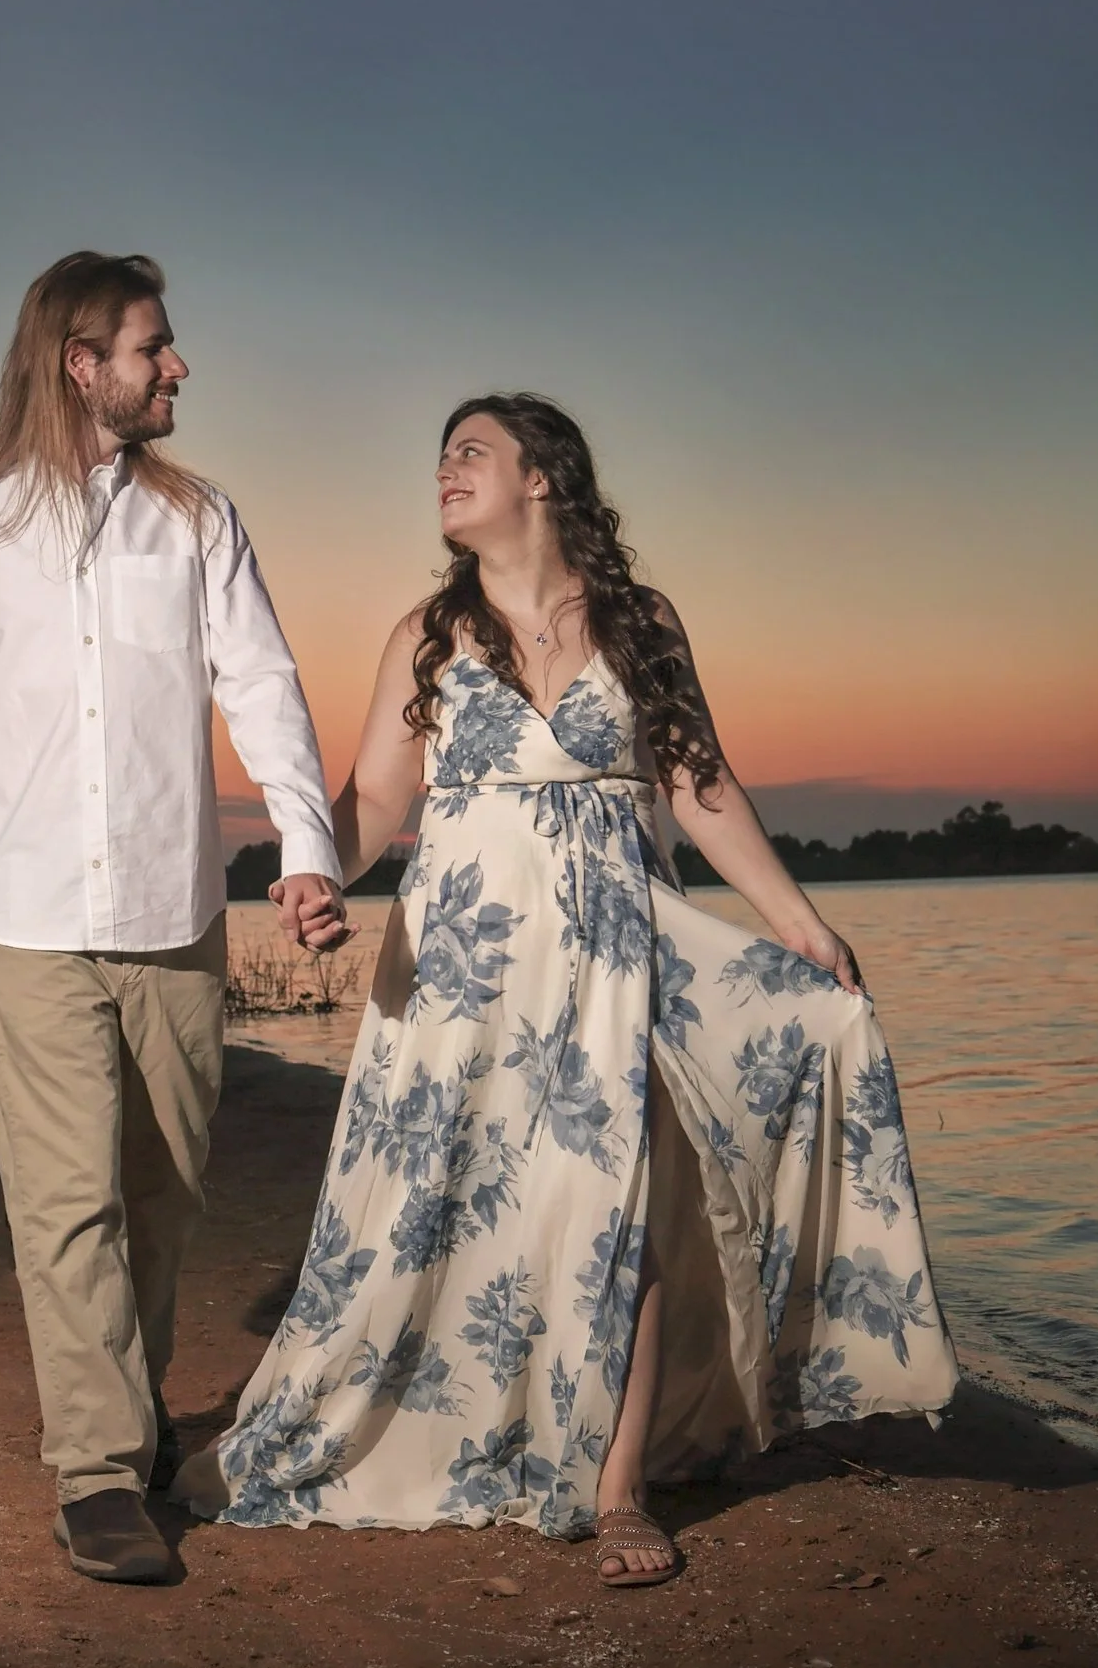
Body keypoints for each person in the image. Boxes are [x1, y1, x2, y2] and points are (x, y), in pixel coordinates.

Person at [172, 393, 958, 1586]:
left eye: (470, 452)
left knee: (617, 1194)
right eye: (439, 457)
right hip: (463, 959)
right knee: (445, 1198)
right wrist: (311, 868)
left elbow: (696, 781)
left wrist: (798, 920)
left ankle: (614, 1483)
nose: (444, 470)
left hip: (611, 951)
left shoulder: (639, 621)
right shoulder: (426, 632)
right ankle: (465, 1426)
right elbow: (380, 797)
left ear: (544, 477)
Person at [0, 252, 350, 1584]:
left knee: (164, 1187)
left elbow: (262, 684)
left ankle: (133, 1410)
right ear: (80, 363)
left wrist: (305, 842)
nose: (179, 366)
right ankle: (94, 1470)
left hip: (172, 907)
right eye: (156, 346)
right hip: (28, 915)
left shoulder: (198, 522)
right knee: (67, 1198)